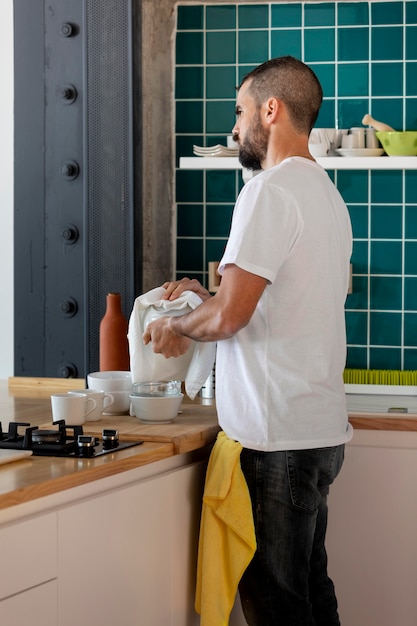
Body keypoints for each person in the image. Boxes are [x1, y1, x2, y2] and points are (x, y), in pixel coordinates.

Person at [143, 56, 353, 626]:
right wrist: (199, 295)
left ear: (271, 109)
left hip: (276, 440)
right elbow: (274, 301)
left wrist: (175, 324)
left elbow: (232, 317)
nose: (235, 129)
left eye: (239, 112)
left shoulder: (268, 192)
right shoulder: (328, 198)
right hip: (315, 432)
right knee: (311, 593)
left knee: (279, 610)